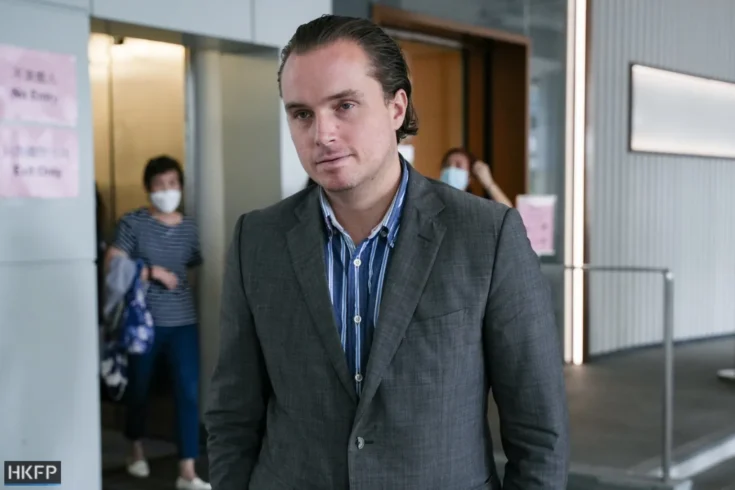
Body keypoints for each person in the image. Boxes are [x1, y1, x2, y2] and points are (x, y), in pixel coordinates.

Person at [205, 14, 568, 490]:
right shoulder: (258, 239)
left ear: (397, 108)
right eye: (302, 114)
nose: (322, 134)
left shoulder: (486, 235)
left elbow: (539, 433)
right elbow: (233, 416)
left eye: (345, 105)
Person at [105, 155, 209, 490]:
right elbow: (112, 266)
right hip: (143, 325)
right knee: (139, 388)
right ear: (148, 188)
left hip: (183, 322)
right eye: (160, 185)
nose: (167, 191)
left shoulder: (189, 228)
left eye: (173, 184)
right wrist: (150, 272)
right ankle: (135, 447)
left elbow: (193, 266)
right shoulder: (133, 223)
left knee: (188, 392)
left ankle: (187, 471)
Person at [439, 147, 514, 207]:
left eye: (458, 165)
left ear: (470, 177)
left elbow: (510, 215)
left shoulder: (476, 207)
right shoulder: (433, 200)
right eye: (447, 166)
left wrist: (489, 184)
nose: (451, 169)